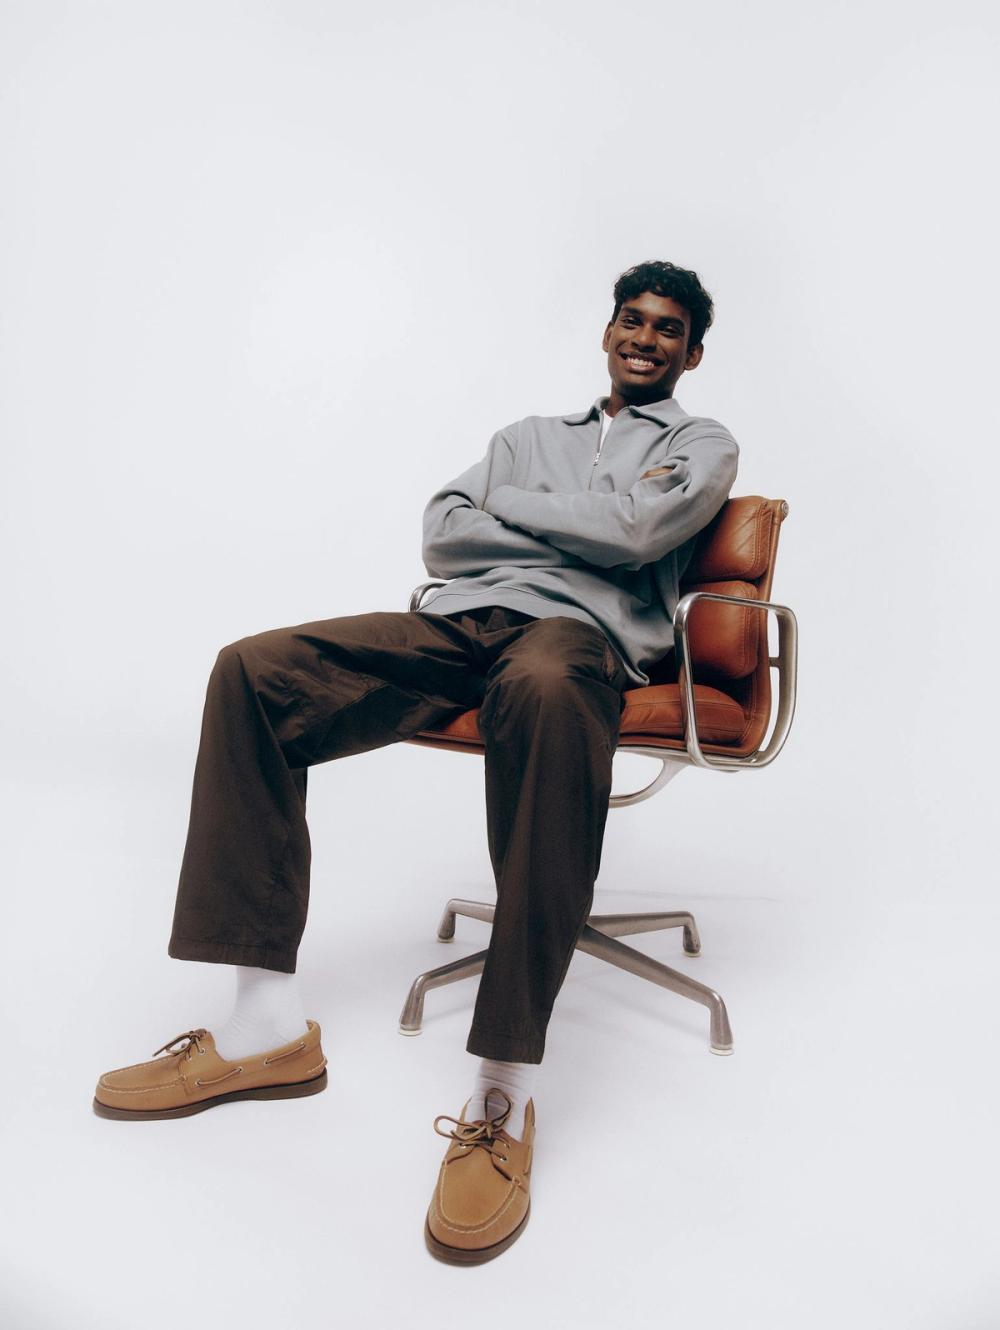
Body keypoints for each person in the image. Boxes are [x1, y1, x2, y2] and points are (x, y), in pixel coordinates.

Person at [92, 259, 740, 1265]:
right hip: (457, 625)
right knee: (254, 674)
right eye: (631, 320)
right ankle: (265, 1029)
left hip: (573, 642)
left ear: (690, 353)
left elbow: (636, 532)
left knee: (545, 692)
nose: (644, 339)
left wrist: (514, 513)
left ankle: (502, 1091)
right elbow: (443, 535)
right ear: (608, 330)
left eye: (667, 329)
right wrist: (573, 520)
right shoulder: (525, 436)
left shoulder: (699, 444)